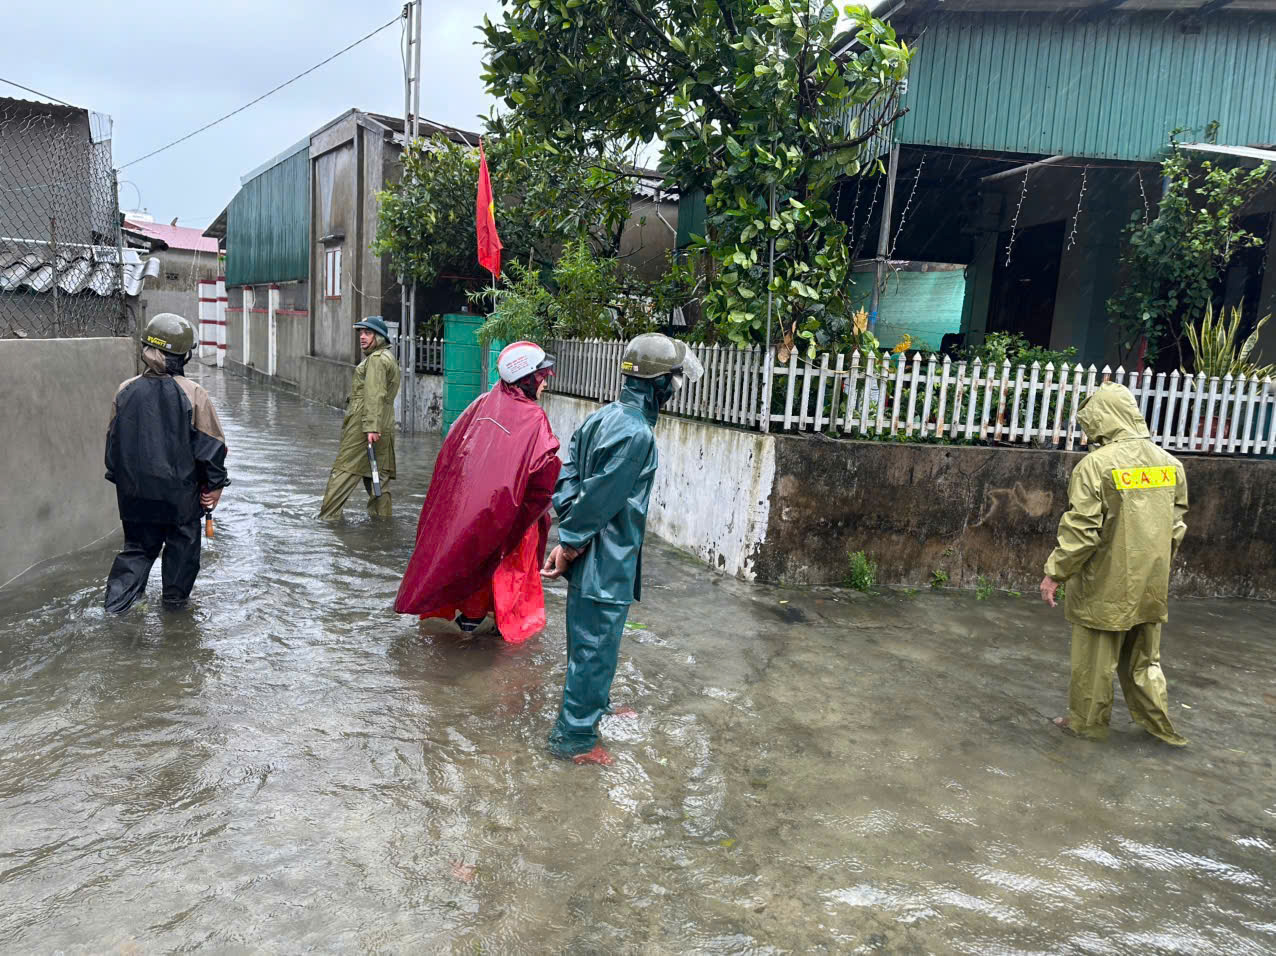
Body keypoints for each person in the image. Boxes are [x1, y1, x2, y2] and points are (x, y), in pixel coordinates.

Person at [542, 332, 702, 765]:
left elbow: (568, 476)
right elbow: (600, 499)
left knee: (591, 645)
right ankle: (574, 740)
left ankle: (596, 706)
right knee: (593, 651)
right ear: (659, 383)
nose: (675, 387)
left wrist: (569, 532)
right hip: (605, 562)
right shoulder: (638, 434)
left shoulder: (601, 418)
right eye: (673, 379)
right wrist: (569, 545)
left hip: (594, 558)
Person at [1040, 381, 1189, 747]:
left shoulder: (1095, 466)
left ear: (1102, 419)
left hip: (1105, 585)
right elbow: (1176, 527)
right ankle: (1160, 726)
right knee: (1145, 660)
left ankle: (1086, 725)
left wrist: (1054, 574)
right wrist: (1156, 566)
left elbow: (1082, 531)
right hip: (1151, 583)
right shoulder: (1170, 465)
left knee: (1094, 662)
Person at [395, 341, 561, 642]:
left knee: (474, 568)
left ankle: (468, 632)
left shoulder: (483, 403)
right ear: (526, 379)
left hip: (473, 513)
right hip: (512, 520)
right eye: (541, 376)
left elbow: (451, 458)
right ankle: (498, 645)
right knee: (508, 578)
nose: (545, 383)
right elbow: (543, 477)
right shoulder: (533, 417)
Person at [104, 313, 229, 612]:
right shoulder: (194, 394)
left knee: (135, 552)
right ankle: (175, 617)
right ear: (183, 355)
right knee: (182, 561)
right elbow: (211, 449)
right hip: (180, 501)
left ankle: (116, 610)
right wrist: (215, 487)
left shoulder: (124, 390)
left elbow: (112, 452)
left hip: (135, 498)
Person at [318, 316, 401, 519]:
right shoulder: (386, 357)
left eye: (368, 333)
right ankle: (383, 525)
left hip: (364, 428)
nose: (362, 337)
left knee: (343, 471)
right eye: (361, 333)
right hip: (382, 426)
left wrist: (371, 427)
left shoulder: (377, 360)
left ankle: (327, 519)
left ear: (379, 337)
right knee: (378, 480)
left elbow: (375, 394)